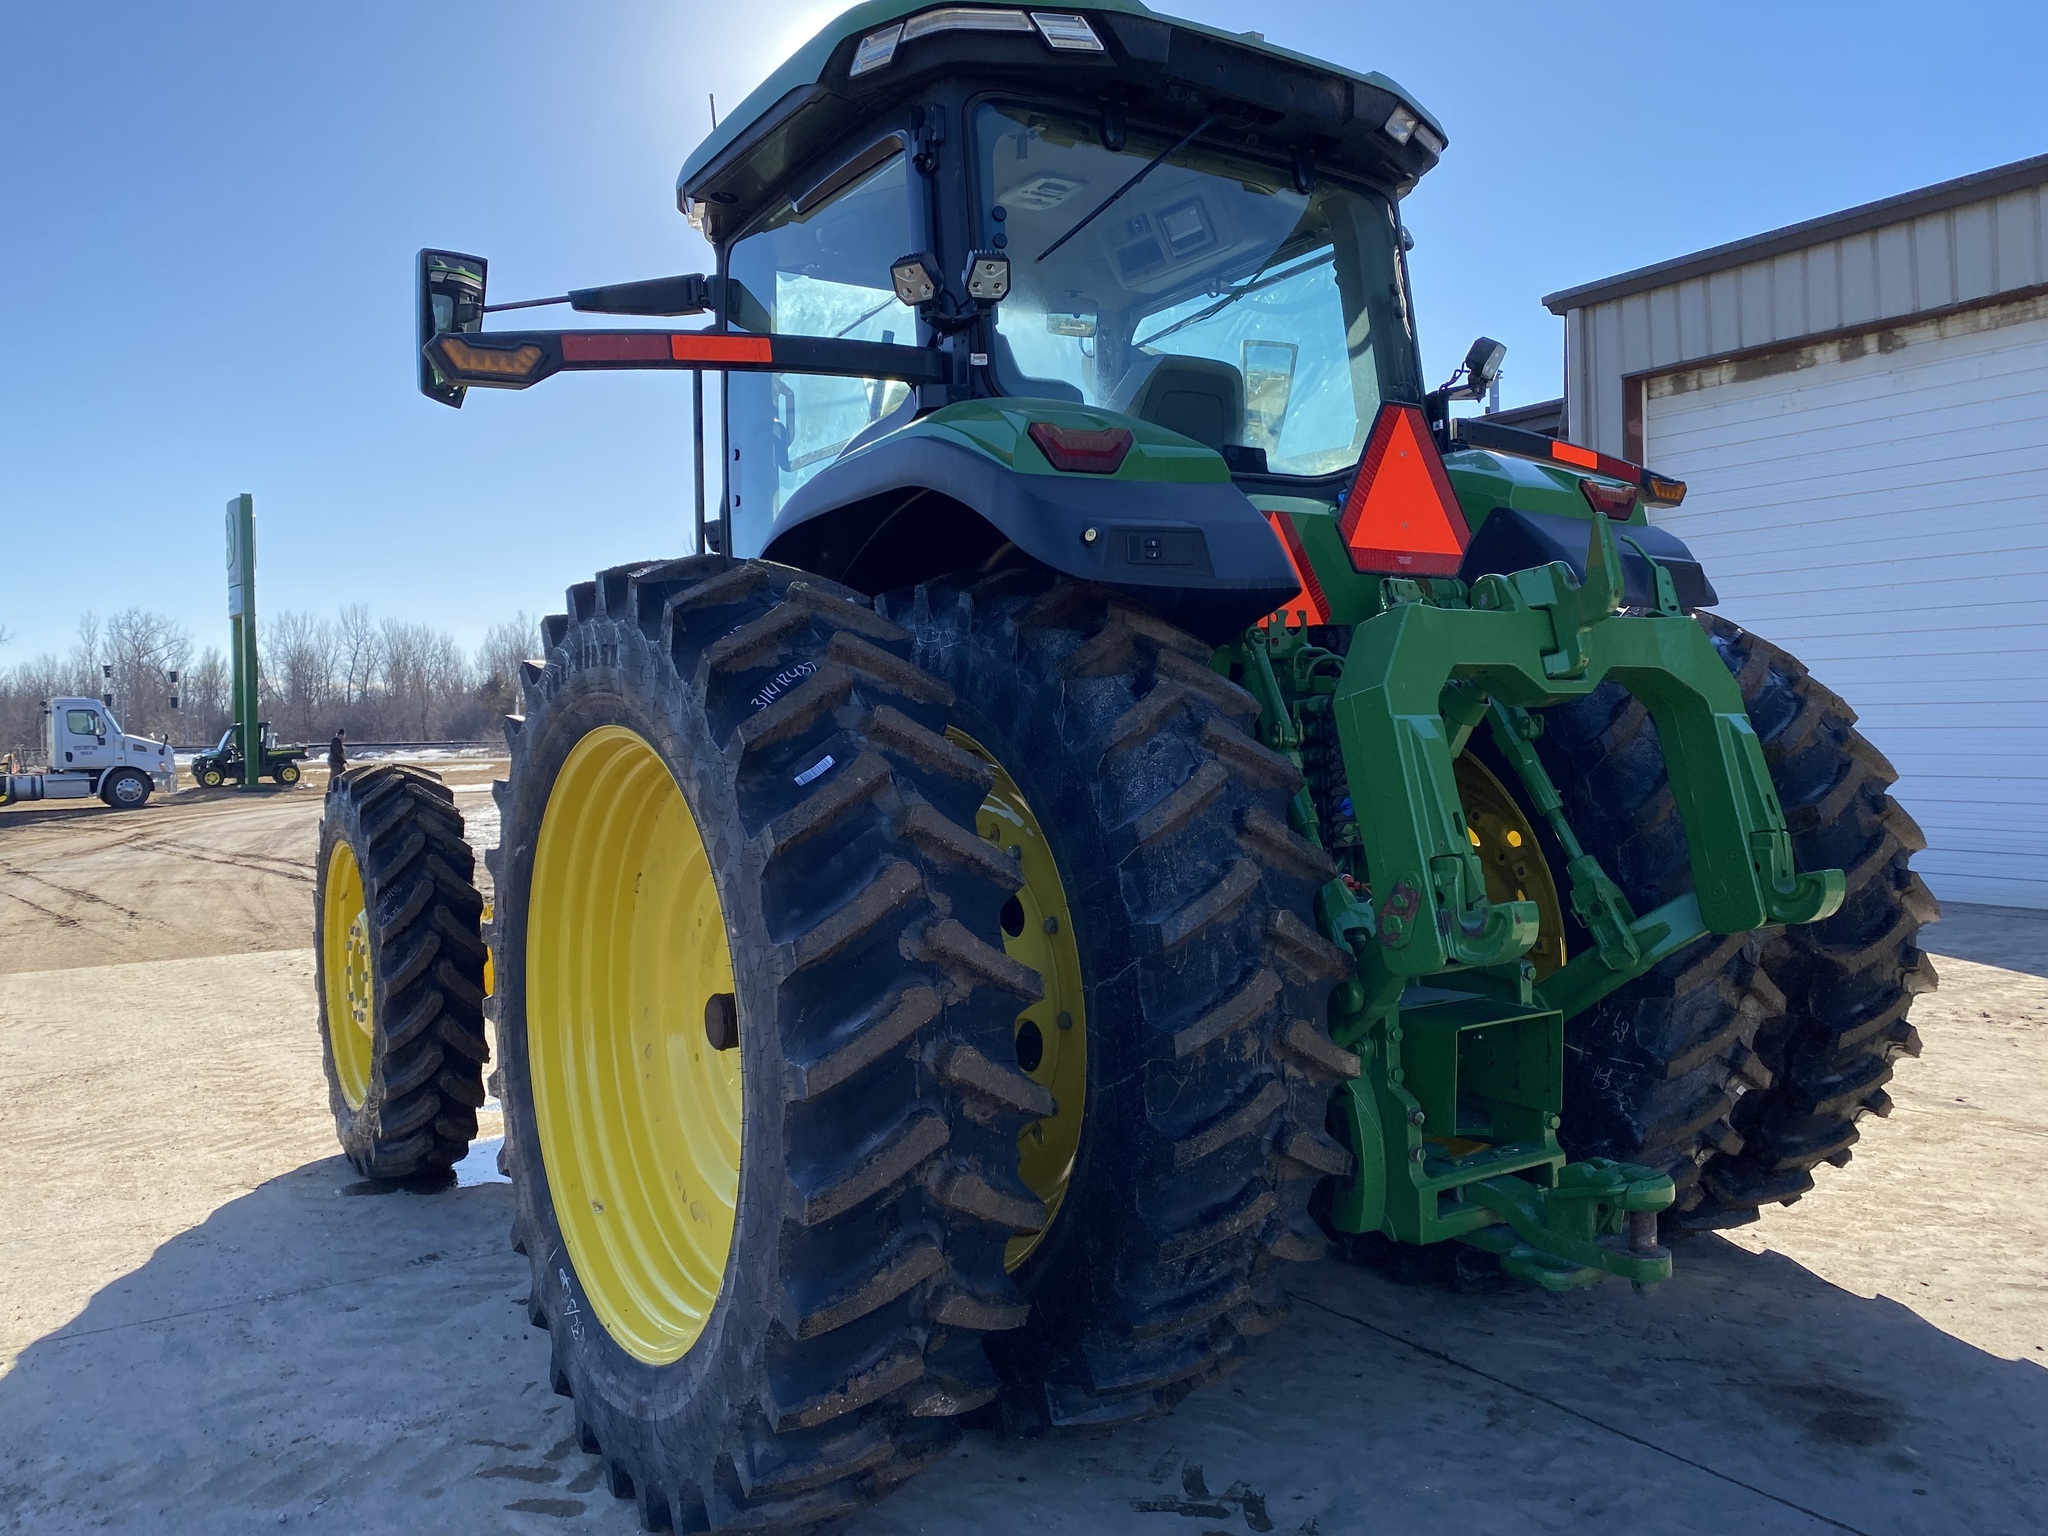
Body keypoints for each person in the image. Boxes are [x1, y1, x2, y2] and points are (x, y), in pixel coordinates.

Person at [327, 728, 346, 792]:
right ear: (341, 735)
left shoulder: (337, 741)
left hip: (338, 762)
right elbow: (337, 753)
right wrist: (343, 761)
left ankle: (341, 790)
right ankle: (330, 791)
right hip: (335, 763)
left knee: (344, 775)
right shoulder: (336, 741)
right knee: (333, 777)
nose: (344, 738)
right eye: (344, 736)